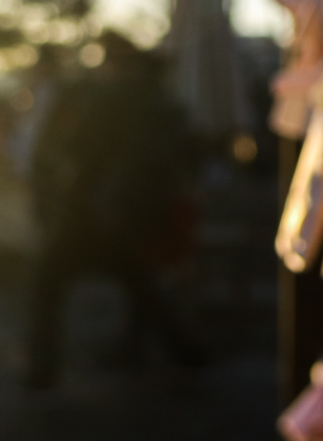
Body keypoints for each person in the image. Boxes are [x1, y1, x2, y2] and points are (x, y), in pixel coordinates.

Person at [23, 30, 205, 388]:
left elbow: (75, 148)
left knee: (49, 281)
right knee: (139, 283)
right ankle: (184, 352)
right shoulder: (158, 101)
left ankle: (43, 367)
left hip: (93, 214)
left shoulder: (107, 99)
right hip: (130, 216)